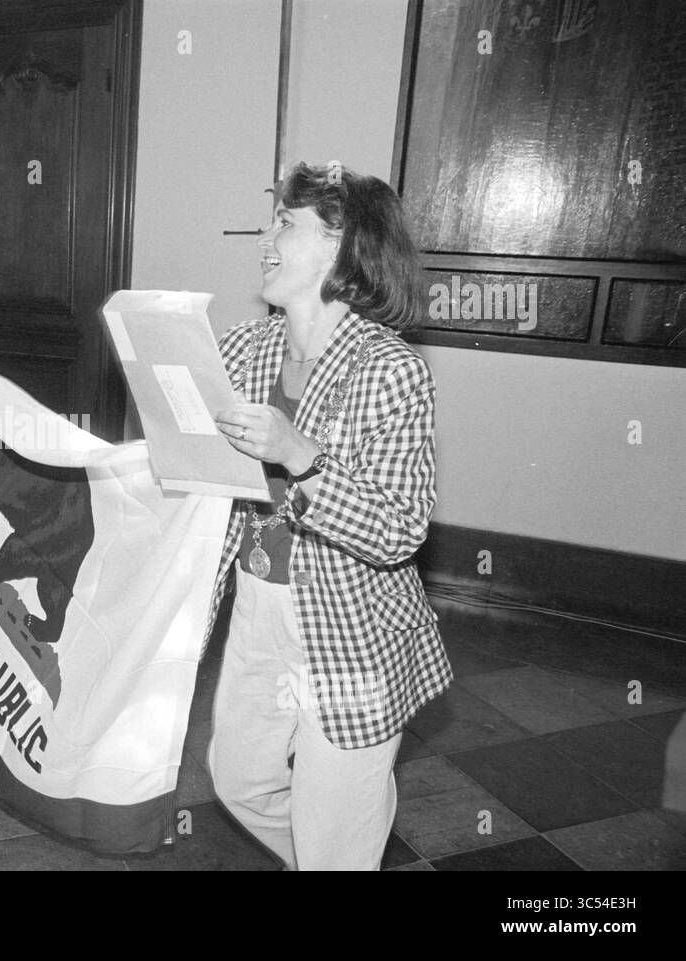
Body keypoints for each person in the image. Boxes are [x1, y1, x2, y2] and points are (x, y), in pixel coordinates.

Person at [205, 161, 452, 870]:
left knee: (335, 829)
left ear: (347, 246)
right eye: (270, 218)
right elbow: (201, 469)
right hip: (259, 607)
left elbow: (401, 527)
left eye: (286, 222)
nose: (265, 236)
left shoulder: (391, 370)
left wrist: (302, 457)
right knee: (239, 778)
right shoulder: (242, 349)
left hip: (351, 626)